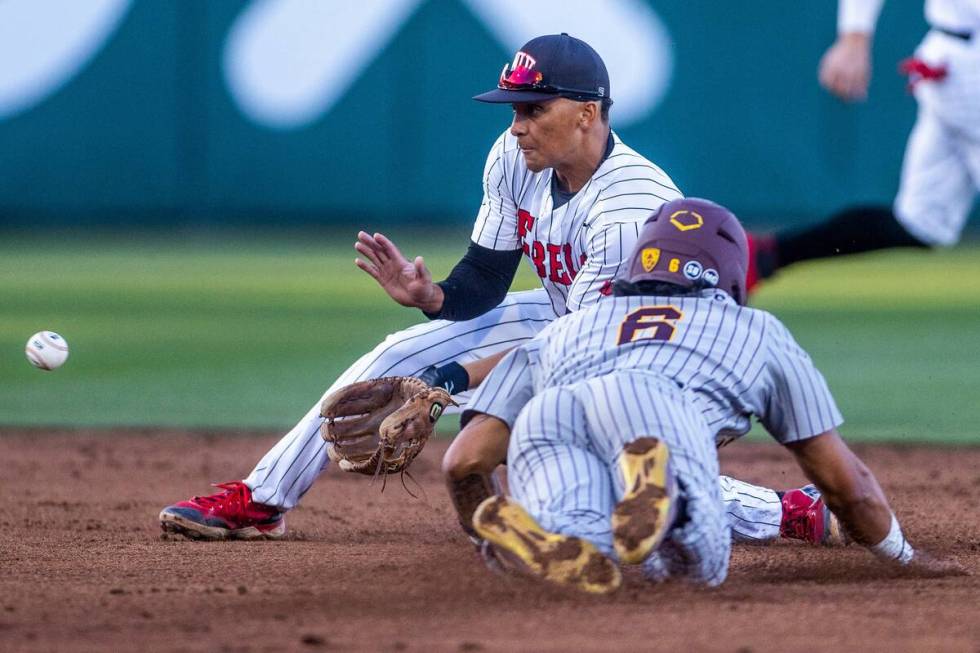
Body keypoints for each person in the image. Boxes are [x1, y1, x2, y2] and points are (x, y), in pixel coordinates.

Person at [158, 34, 825, 547]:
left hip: (647, 358)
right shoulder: (516, 157)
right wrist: (433, 299)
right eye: (513, 108)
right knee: (401, 351)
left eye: (535, 109)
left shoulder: (628, 209)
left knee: (584, 464)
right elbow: (485, 280)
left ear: (588, 114)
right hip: (569, 316)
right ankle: (261, 498)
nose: (518, 124)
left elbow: (570, 356)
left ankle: (786, 511)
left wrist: (450, 383)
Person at [463, 197, 962, 593]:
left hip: (549, 417)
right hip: (653, 411)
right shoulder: (753, 329)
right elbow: (846, 483)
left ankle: (548, 529)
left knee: (578, 537)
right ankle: (671, 503)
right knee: (694, 565)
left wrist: (479, 542)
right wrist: (904, 558)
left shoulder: (569, 328)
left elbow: (464, 461)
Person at [748, 0, 980, 290]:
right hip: (963, 63)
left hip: (952, 60)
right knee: (919, 221)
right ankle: (760, 257)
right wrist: (854, 37)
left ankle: (763, 256)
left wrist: (854, 38)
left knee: (921, 222)